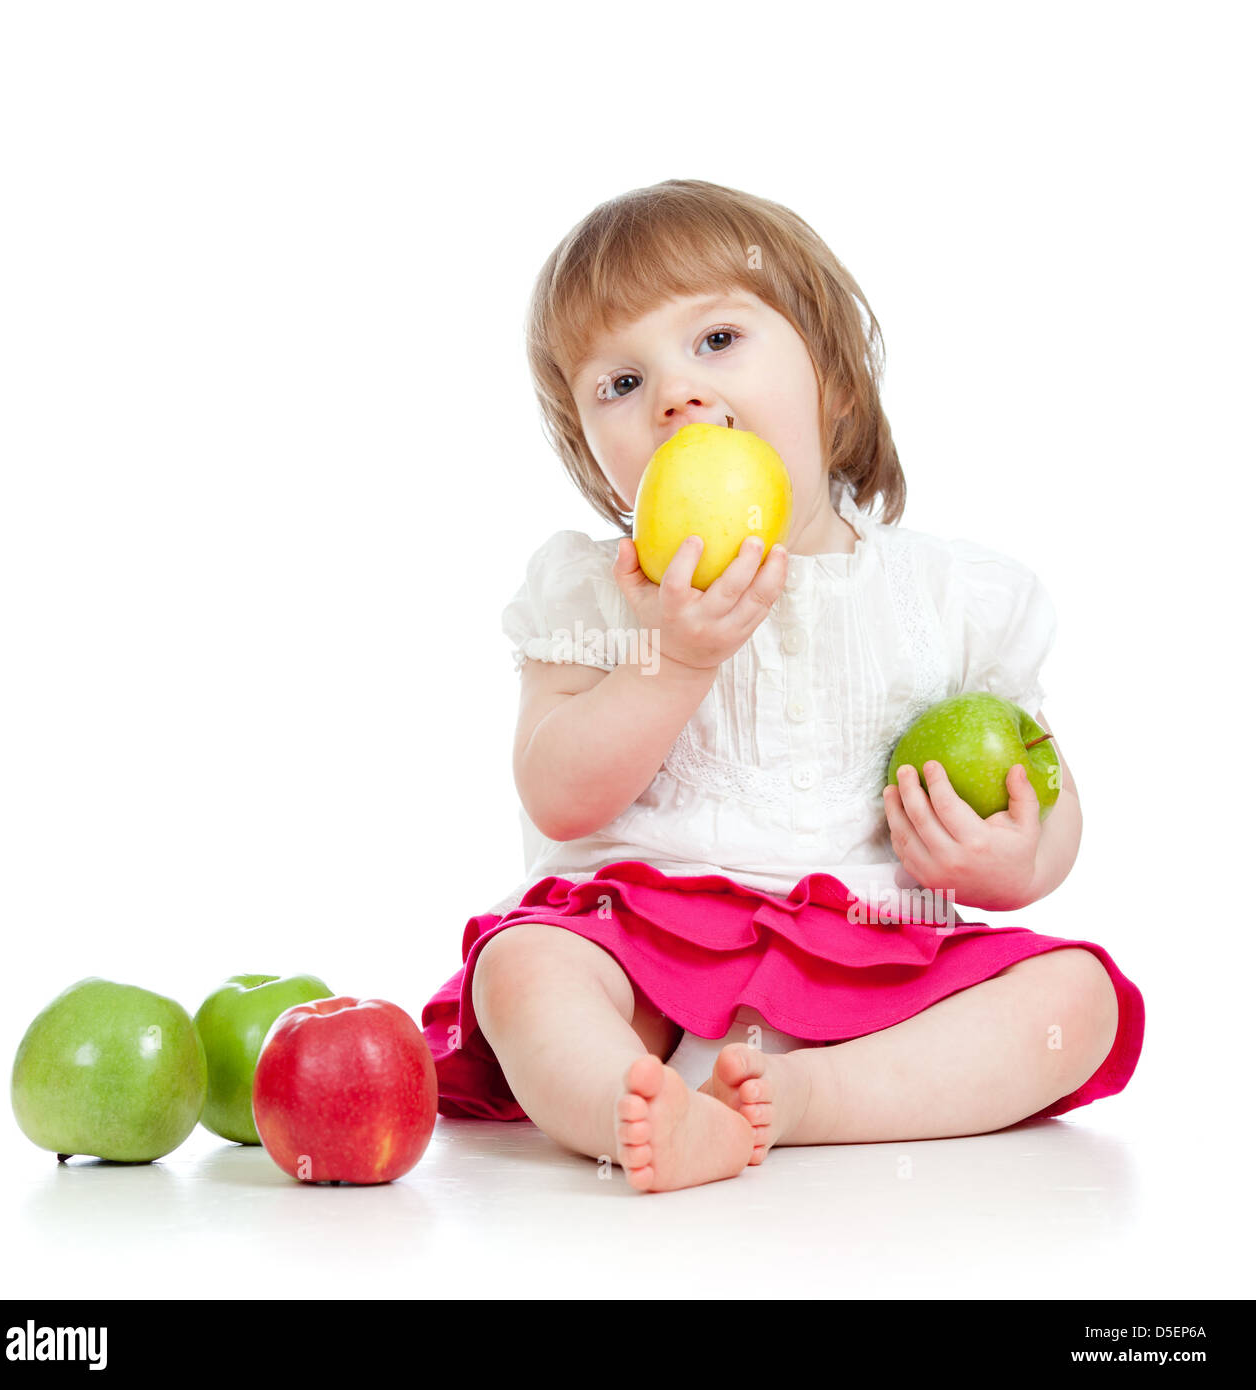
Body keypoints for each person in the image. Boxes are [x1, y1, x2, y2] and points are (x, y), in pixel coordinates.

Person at [419, 178, 1144, 1194]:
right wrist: (676, 660)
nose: (675, 392)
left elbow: (1046, 798)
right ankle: (626, 1105)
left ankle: (803, 1102)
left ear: (832, 383)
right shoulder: (592, 591)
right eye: (619, 384)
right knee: (526, 966)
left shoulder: (948, 594)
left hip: (875, 944)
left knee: (1075, 995)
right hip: (643, 944)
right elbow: (556, 791)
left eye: (715, 340)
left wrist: (1011, 858)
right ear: (593, 458)